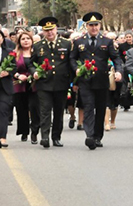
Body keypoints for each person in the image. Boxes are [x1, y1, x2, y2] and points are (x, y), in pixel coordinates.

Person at [69, 12, 122, 150]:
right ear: (86, 26)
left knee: (100, 109)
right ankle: (90, 136)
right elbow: (72, 58)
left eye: (96, 25)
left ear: (100, 25)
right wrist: (76, 69)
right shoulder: (79, 42)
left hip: (101, 81)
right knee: (88, 107)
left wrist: (118, 71)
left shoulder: (107, 42)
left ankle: (98, 136)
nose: (94, 28)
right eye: (91, 25)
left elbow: (116, 58)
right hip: (85, 81)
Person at [29, 17, 72, 148]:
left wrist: (73, 81)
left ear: (56, 29)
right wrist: (34, 72)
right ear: (43, 31)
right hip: (44, 84)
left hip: (61, 83)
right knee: (45, 111)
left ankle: (56, 137)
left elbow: (70, 63)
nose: (50, 33)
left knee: (59, 112)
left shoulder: (66, 44)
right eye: (46, 30)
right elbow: (31, 63)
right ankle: (45, 137)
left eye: (52, 29)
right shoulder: (38, 46)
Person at [11, 31, 40, 143]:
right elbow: (11, 68)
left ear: (32, 40)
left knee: (34, 108)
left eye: (28, 38)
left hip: (34, 85)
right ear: (19, 41)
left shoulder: (37, 52)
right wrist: (18, 75)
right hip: (20, 84)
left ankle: (34, 132)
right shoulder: (14, 54)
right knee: (21, 109)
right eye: (23, 39)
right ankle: (24, 131)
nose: (26, 41)